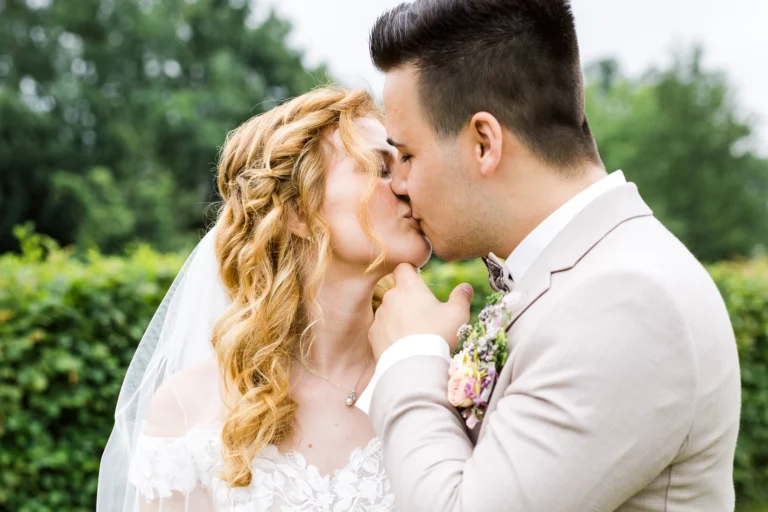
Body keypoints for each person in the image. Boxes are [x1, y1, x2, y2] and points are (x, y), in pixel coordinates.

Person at [357, 1, 742, 511]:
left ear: (483, 144)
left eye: (407, 155)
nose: (399, 185)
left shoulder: (630, 301)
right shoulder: (585, 275)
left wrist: (409, 357)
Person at [97, 87, 430, 511]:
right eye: (379, 168)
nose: (406, 184)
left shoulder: (439, 376)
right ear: (298, 212)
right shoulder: (189, 408)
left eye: (404, 164)